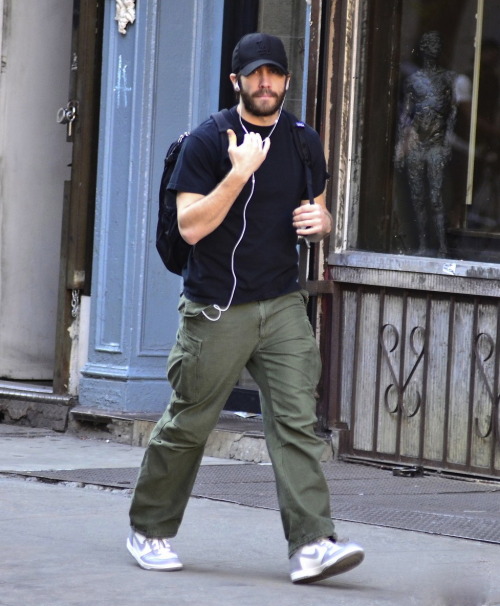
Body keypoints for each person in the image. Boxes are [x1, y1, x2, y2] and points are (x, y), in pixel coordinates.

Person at [127, 32, 364, 585]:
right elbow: (190, 226)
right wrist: (239, 172)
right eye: (255, 74)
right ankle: (150, 528)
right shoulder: (209, 141)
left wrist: (322, 224)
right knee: (190, 423)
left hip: (281, 303)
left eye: (274, 74)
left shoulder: (305, 141)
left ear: (286, 80)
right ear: (236, 81)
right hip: (217, 307)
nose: (265, 83)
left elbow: (318, 211)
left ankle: (312, 545)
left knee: (297, 424)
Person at [395, 31, 457, 256]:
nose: (433, 48)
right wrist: (400, 147)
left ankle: (441, 246)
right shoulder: (412, 81)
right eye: (429, 44)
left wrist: (448, 141)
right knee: (418, 197)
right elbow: (405, 116)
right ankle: (422, 245)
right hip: (417, 144)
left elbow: (453, 113)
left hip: (437, 143)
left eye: (437, 44)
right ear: (422, 49)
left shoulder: (448, 78)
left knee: (436, 196)